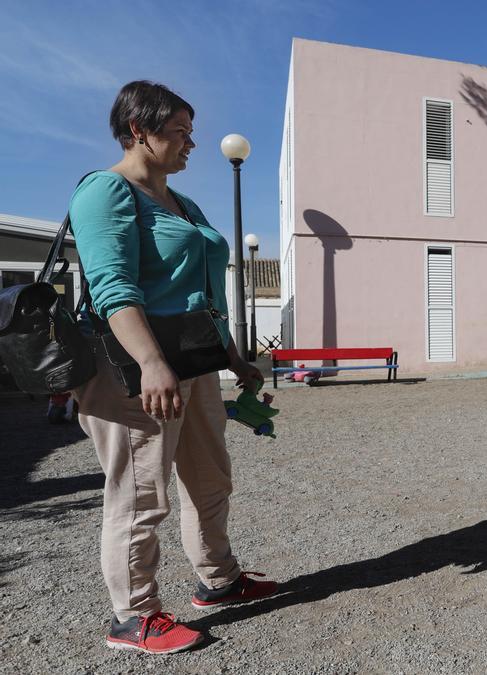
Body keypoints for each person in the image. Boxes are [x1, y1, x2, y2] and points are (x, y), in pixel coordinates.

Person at [70, 81, 277, 654]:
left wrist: (234, 357)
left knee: (210, 478)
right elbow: (112, 287)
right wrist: (151, 363)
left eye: (192, 130)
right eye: (180, 131)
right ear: (140, 130)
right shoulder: (105, 191)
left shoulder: (182, 202)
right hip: (133, 366)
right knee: (140, 494)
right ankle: (133, 617)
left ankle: (219, 579)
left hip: (193, 358)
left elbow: (204, 290)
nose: (192, 142)